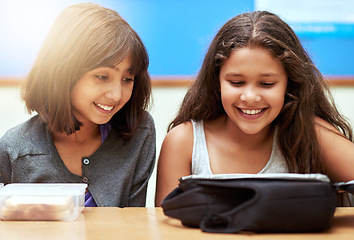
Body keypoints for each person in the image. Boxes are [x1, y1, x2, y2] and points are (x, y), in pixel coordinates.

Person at [155, 11, 354, 206]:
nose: (250, 97)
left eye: (267, 84)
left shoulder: (311, 133)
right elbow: (166, 228)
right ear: (216, 81)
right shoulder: (184, 142)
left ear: (289, 84)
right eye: (237, 82)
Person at [0, 3, 156, 207]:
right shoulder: (14, 149)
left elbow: (135, 224)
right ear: (63, 73)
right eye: (102, 76)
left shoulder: (139, 131)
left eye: (128, 79)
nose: (116, 94)